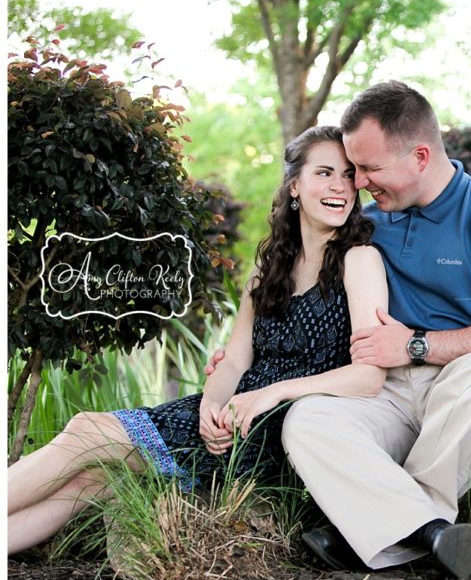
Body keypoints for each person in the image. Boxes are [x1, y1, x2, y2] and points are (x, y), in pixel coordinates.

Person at [208, 81, 471, 580]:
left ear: (418, 156)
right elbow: (300, 290)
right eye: (353, 170)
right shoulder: (367, 225)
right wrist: (239, 358)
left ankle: (392, 524)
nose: (358, 183)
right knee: (308, 422)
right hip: (396, 392)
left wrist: (415, 343)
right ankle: (431, 536)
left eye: (368, 169)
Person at [8, 125, 389, 556]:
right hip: (230, 420)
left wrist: (274, 392)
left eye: (347, 174)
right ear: (295, 186)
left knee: (86, 431)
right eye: (324, 173)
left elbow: (368, 377)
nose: (340, 186)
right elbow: (234, 359)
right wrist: (211, 404)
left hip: (284, 431)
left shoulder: (359, 260)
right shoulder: (269, 271)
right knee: (90, 477)